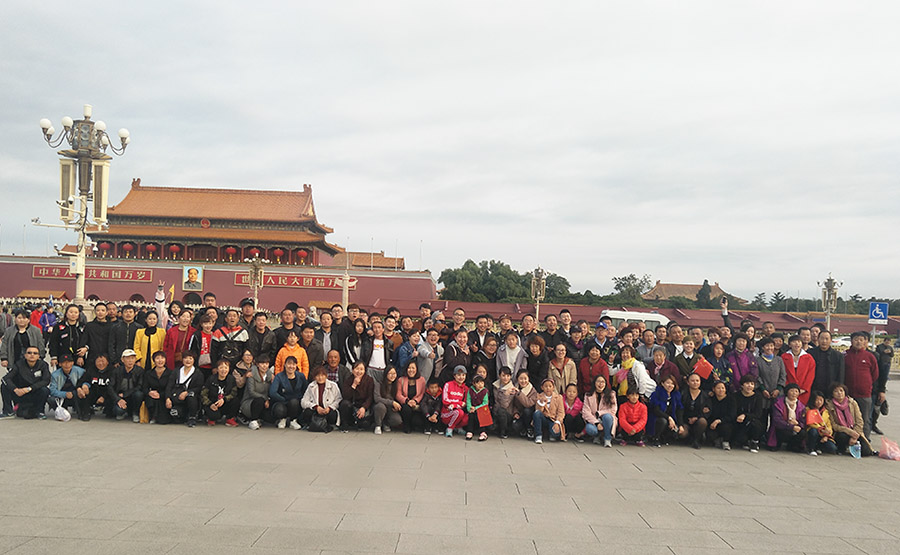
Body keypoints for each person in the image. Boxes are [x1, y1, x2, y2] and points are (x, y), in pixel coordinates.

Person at [843, 331, 879, 438]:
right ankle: (848, 441)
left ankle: (865, 441)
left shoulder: (870, 356)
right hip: (848, 394)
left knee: (865, 419)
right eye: (856, 339)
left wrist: (866, 384)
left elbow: (875, 374)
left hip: (864, 394)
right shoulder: (845, 355)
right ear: (851, 341)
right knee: (848, 419)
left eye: (861, 340)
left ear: (864, 342)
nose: (858, 342)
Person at [0, 345, 51, 419]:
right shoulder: (18, 364)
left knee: (45, 390)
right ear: (25, 355)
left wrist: (29, 388)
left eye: (35, 353)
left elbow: (46, 380)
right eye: (29, 353)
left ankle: (40, 412)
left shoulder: (43, 365)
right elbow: (6, 378)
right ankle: (8, 412)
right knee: (4, 385)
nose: (32, 355)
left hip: (34, 392)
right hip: (20, 393)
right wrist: (15, 389)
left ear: (38, 356)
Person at [825, 383, 874, 457]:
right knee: (842, 436)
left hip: (855, 431)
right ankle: (842, 448)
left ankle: (853, 446)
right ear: (832, 394)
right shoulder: (830, 405)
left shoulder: (852, 403)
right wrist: (849, 432)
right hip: (841, 432)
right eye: (836, 391)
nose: (839, 393)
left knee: (866, 452)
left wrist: (854, 436)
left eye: (841, 391)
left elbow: (859, 421)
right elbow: (834, 425)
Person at [165, 351, 204, 427]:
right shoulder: (176, 371)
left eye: (190, 358)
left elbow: (199, 388)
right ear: (182, 360)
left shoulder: (198, 373)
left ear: (194, 360)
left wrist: (187, 392)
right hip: (177, 397)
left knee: (191, 395)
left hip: (190, 398)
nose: (188, 360)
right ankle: (183, 415)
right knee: (174, 416)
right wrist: (167, 398)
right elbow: (169, 385)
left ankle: (192, 417)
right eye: (185, 358)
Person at [269, 356, 307, 429]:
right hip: (282, 402)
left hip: (296, 403)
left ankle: (293, 420)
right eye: (289, 364)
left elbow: (305, 390)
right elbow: (272, 392)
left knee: (294, 402)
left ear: (296, 365)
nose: (291, 366)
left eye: (293, 364)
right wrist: (284, 399)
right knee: (279, 409)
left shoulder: (301, 376)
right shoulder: (279, 376)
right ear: (285, 365)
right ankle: (282, 420)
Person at [74, 353, 115, 420]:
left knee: (112, 395)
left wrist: (104, 397)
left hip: (107, 393)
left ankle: (109, 411)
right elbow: (81, 381)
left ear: (107, 362)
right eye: (98, 361)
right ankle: (86, 412)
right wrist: (80, 388)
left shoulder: (112, 371)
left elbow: (114, 387)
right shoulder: (91, 370)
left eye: (103, 361)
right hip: (94, 392)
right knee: (84, 392)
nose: (101, 363)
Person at [300, 366, 341, 430]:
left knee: (333, 414)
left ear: (326, 376)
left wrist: (329, 407)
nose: (320, 378)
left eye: (322, 375)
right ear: (314, 377)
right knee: (307, 412)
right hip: (316, 411)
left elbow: (338, 399)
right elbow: (303, 401)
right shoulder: (311, 386)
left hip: (327, 410)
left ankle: (331, 425)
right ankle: (309, 425)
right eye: (318, 376)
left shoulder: (333, 385)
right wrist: (315, 407)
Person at [647, 375, 684, 447]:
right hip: (657, 418)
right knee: (663, 421)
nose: (670, 385)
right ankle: (655, 438)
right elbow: (656, 411)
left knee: (679, 431)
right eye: (668, 383)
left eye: (672, 383)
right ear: (662, 383)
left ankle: (665, 438)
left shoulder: (676, 395)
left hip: (671, 418)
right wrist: (669, 418)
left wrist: (680, 424)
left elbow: (679, 410)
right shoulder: (657, 394)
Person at [201, 359, 239, 427]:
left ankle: (229, 418)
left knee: (235, 401)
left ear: (229, 369)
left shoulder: (231, 379)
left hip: (225, 402)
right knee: (214, 416)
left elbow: (234, 393)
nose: (223, 370)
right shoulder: (211, 379)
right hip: (213, 403)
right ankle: (210, 418)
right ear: (217, 369)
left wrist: (224, 399)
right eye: (221, 367)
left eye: (226, 368)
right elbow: (203, 394)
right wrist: (210, 404)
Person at [809, 331, 845, 402]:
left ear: (831, 340)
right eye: (822, 338)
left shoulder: (838, 355)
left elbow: (841, 374)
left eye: (826, 339)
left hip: (831, 389)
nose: (824, 341)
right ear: (818, 339)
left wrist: (838, 389)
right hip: (814, 388)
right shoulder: (810, 353)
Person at [339, 361, 375, 431]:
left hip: (363, 406)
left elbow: (370, 397)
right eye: (357, 369)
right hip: (352, 405)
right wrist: (354, 385)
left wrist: (364, 407)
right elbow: (345, 396)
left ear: (364, 371)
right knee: (344, 403)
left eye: (361, 369)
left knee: (364, 424)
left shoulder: (369, 380)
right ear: (352, 370)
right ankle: (346, 424)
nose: (359, 371)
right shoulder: (348, 379)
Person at [582, 374, 617, 447]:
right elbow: (585, 412)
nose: (600, 384)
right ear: (594, 383)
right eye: (598, 381)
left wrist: (600, 413)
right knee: (590, 429)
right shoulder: (588, 395)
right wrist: (597, 423)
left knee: (607, 417)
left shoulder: (611, 394)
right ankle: (597, 436)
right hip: (594, 420)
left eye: (602, 382)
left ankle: (607, 439)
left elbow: (613, 410)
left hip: (607, 420)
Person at [110, 348, 144, 422]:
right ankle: (124, 412)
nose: (130, 361)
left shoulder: (140, 371)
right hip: (120, 397)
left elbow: (140, 386)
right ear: (122, 360)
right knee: (118, 411)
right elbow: (110, 387)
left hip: (132, 396)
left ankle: (135, 413)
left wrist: (126, 394)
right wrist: (118, 399)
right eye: (127, 358)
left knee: (139, 394)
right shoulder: (116, 371)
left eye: (132, 358)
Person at [732, 374, 765, 452]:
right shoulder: (735, 396)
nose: (749, 386)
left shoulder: (758, 396)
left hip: (752, 421)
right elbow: (733, 411)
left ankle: (754, 442)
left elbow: (758, 413)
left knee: (756, 424)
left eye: (752, 384)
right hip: (739, 422)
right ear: (742, 385)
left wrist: (745, 416)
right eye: (747, 383)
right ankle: (744, 441)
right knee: (740, 437)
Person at [756, 338, 786, 419]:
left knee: (777, 418)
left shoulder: (779, 360)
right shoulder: (757, 360)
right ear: (763, 347)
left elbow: (783, 375)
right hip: (763, 394)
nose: (769, 348)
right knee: (762, 418)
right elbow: (757, 376)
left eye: (771, 345)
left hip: (777, 394)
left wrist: (778, 389)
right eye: (767, 346)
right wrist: (763, 389)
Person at [241, 354, 274, 430]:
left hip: (264, 403)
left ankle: (260, 418)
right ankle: (253, 421)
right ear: (258, 365)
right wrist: (265, 399)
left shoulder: (270, 376)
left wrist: (268, 400)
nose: (264, 366)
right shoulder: (251, 375)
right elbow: (251, 392)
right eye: (262, 363)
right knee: (259, 400)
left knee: (271, 419)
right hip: (250, 402)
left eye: (266, 363)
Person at [49, 304, 86, 369]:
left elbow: (85, 341)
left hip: (78, 358)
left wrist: (81, 356)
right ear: (66, 313)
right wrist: (54, 357)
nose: (73, 314)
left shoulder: (83, 327)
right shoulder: (58, 327)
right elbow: (53, 342)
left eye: (76, 312)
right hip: (62, 357)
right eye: (71, 312)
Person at [781, 335, 815, 405]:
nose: (797, 343)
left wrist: (804, 388)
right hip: (788, 390)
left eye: (799, 341)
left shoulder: (809, 358)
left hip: (803, 391)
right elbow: (782, 374)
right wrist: (788, 388)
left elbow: (810, 375)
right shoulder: (784, 357)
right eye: (794, 342)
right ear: (789, 345)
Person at [533, 378, 565, 444]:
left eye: (550, 386)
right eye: (546, 386)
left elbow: (561, 413)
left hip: (553, 420)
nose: (548, 388)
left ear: (553, 387)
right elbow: (537, 410)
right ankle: (538, 435)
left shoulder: (558, 397)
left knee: (556, 433)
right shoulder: (539, 396)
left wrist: (557, 422)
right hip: (543, 418)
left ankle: (551, 433)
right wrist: (541, 403)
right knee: (537, 414)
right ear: (542, 387)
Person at [144, 350, 173, 424]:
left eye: (162, 358)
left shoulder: (170, 373)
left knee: (163, 421)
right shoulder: (149, 373)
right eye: (157, 358)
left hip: (165, 395)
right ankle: (153, 417)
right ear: (154, 361)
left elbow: (170, 387)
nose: (160, 360)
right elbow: (144, 387)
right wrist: (149, 392)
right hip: (153, 396)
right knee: (150, 399)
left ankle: (158, 417)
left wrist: (161, 395)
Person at [397, 360, 425, 433]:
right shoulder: (401, 379)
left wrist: (415, 401)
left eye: (413, 368)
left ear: (416, 369)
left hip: (416, 405)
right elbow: (398, 394)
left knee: (418, 422)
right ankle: (406, 426)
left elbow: (422, 393)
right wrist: (407, 401)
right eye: (409, 368)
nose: (411, 370)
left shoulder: (421, 380)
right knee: (406, 409)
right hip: (405, 404)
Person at [805, 391, 838, 455]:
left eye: (821, 400)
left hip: (823, 434)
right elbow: (811, 423)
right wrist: (822, 430)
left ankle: (819, 448)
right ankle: (811, 449)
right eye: (817, 400)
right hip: (813, 432)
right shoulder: (808, 409)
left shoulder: (825, 411)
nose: (819, 402)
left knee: (832, 448)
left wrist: (827, 434)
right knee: (813, 431)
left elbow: (829, 425)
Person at [681, 373, 708, 449]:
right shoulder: (683, 393)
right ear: (688, 382)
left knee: (703, 422)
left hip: (697, 420)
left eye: (697, 380)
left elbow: (708, 411)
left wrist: (697, 418)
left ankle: (696, 440)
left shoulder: (705, 395)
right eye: (692, 381)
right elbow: (679, 409)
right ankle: (689, 437)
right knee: (683, 434)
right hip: (685, 420)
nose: (695, 383)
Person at [441, 365, 470, 437]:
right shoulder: (448, 385)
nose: (461, 377)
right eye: (458, 375)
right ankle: (450, 428)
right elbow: (445, 400)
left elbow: (465, 403)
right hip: (447, 413)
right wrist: (458, 403)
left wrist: (455, 405)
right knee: (459, 412)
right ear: (454, 376)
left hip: (459, 411)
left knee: (467, 417)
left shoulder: (466, 389)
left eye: (463, 375)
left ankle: (457, 427)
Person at [706, 380, 735, 450]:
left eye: (723, 388)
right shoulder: (711, 399)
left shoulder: (731, 399)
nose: (721, 390)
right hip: (713, 424)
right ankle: (717, 439)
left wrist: (719, 421)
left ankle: (726, 441)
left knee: (726, 427)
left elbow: (732, 415)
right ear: (713, 389)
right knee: (710, 435)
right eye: (718, 388)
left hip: (726, 423)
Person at [373, 365, 402, 434]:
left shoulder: (396, 384)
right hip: (380, 406)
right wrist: (392, 402)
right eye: (390, 373)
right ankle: (378, 425)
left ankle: (385, 423)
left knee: (397, 420)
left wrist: (396, 405)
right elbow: (377, 398)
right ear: (386, 374)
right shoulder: (379, 384)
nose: (392, 376)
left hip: (390, 408)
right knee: (380, 407)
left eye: (394, 373)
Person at [873, 337, 893, 435]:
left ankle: (873, 425)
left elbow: (892, 355)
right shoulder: (878, 349)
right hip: (868, 389)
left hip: (877, 387)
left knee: (876, 408)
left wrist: (882, 390)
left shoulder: (890, 348)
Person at [83, 303, 112, 371]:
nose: (100, 312)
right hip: (92, 357)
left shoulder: (112, 326)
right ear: (95, 312)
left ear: (107, 312)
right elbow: (84, 340)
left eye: (103, 310)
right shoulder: (89, 326)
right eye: (98, 310)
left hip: (108, 357)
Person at [189, 314, 216, 380]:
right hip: (199, 365)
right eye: (205, 323)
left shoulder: (215, 335)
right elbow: (191, 350)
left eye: (210, 323)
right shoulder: (196, 335)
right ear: (201, 324)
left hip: (211, 366)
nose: (208, 326)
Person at [464, 374, 491, 441]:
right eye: (478, 383)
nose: (480, 385)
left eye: (482, 383)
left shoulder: (485, 391)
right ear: (474, 383)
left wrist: (476, 408)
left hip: (481, 409)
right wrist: (469, 408)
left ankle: (483, 432)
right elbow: (468, 400)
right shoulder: (470, 390)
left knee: (482, 415)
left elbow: (485, 403)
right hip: (472, 409)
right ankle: (470, 431)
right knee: (471, 415)